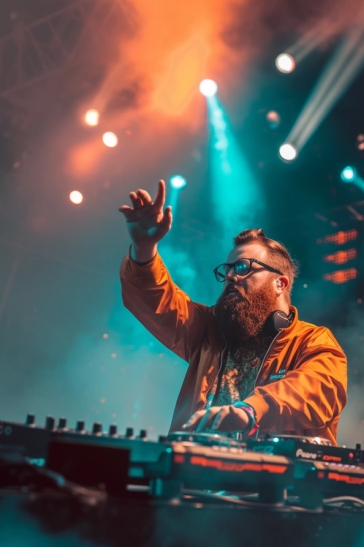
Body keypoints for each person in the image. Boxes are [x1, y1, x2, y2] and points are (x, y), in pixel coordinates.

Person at [119, 179, 347, 442]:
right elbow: (157, 302)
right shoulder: (208, 331)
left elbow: (319, 389)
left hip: (269, 482)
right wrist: (144, 249)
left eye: (242, 267)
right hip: (193, 476)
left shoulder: (313, 341)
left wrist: (251, 411)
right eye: (227, 269)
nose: (230, 276)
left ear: (279, 282)